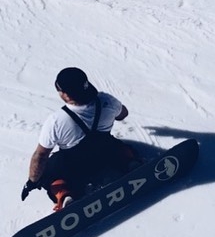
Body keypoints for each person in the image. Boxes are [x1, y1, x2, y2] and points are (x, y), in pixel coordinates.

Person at [20, 67, 139, 211]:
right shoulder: (107, 101)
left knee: (49, 172)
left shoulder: (57, 121)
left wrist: (32, 181)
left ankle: (64, 196)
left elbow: (40, 155)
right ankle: (131, 163)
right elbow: (123, 114)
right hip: (105, 155)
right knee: (117, 146)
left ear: (67, 96)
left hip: (77, 167)